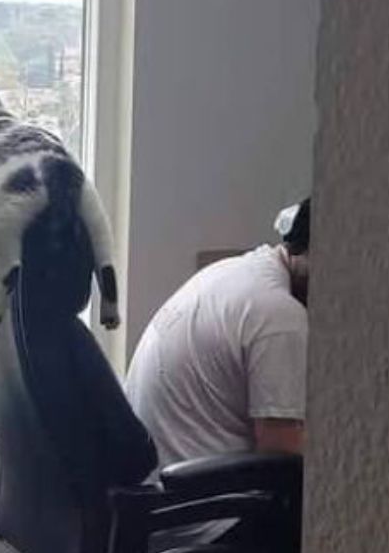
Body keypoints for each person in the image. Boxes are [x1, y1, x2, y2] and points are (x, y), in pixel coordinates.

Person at [125, 199, 310, 469]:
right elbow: (284, 463)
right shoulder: (281, 318)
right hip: (201, 502)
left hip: (154, 490)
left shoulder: (231, 272)